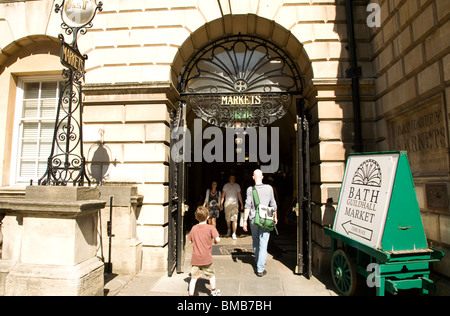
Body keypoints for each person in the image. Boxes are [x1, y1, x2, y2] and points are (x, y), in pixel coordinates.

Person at [243, 169, 277, 277]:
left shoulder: (250, 189)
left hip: (254, 219)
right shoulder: (269, 188)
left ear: (253, 177)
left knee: (255, 240)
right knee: (263, 243)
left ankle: (258, 261)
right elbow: (273, 205)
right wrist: (275, 217)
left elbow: (247, 206)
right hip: (266, 219)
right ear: (262, 176)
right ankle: (260, 268)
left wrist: (244, 221)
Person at [188, 206, 221, 296]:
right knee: (211, 275)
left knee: (193, 278)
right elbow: (217, 239)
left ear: (196, 218)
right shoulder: (211, 228)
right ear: (207, 217)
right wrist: (215, 241)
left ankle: (191, 294)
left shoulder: (194, 228)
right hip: (207, 258)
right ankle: (213, 292)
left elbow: (190, 240)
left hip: (196, 258)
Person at [220, 174, 244, 240]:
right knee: (228, 219)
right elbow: (223, 195)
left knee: (235, 219)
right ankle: (229, 229)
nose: (232, 179)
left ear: (235, 179)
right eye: (231, 178)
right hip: (227, 204)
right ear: (229, 178)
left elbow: (239, 195)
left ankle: (234, 233)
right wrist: (221, 204)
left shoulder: (237, 186)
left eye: (233, 178)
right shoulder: (226, 186)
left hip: (235, 204)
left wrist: (242, 204)